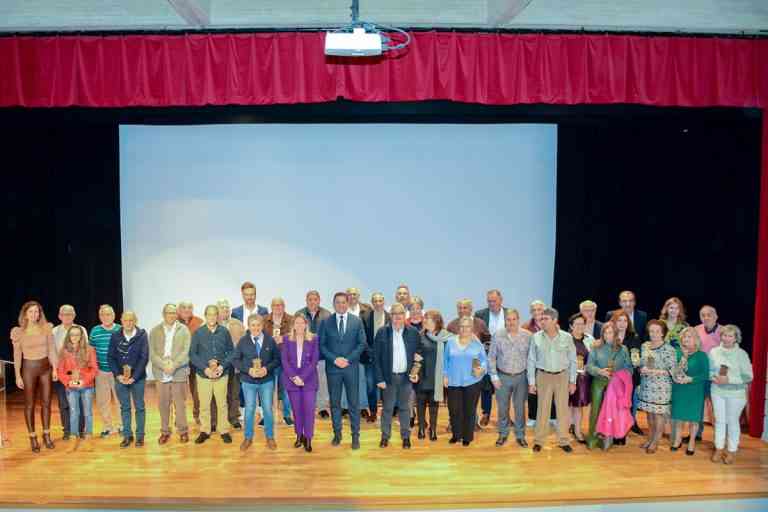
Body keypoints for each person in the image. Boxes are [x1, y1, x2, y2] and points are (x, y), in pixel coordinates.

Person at [319, 292, 367, 449]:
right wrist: (335, 359)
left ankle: (355, 436)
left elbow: (361, 344)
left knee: (354, 403)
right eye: (337, 302)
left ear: (348, 303)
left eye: (343, 302)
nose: (341, 305)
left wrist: (348, 359)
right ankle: (337, 434)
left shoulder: (357, 321)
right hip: (333, 368)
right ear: (334, 304)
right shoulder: (326, 322)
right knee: (335, 403)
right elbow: (322, 346)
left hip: (351, 367)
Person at [527, 307, 577, 453]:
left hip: (562, 376)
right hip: (543, 376)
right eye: (541, 318)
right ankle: (539, 441)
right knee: (542, 410)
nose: (542, 321)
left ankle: (564, 440)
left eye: (545, 318)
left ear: (555, 320)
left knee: (562, 410)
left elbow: (573, 360)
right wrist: (531, 382)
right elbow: (531, 360)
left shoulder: (567, 337)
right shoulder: (536, 337)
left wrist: (572, 381)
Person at [10, 301, 57, 452]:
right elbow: (17, 355)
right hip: (28, 369)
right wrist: (17, 375)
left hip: (45, 369)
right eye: (31, 312)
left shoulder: (46, 328)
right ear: (25, 314)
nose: (34, 315)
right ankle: (32, 437)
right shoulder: (18, 331)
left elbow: (52, 349)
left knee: (47, 403)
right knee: (29, 404)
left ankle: (46, 434)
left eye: (36, 312)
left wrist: (55, 368)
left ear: (40, 313)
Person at [373, 304, 422, 449]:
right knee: (387, 408)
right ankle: (385, 437)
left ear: (404, 315)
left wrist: (416, 372)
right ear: (391, 316)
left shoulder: (413, 333)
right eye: (394, 314)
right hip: (388, 378)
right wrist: (379, 378)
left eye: (400, 314)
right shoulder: (382, 333)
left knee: (405, 408)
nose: (398, 317)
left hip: (406, 378)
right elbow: (376, 358)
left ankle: (406, 437)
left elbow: (419, 355)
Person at [231, 314, 280, 451]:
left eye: (258, 325)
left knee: (267, 410)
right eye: (253, 325)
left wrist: (266, 368)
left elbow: (277, 359)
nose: (256, 328)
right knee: (250, 410)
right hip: (249, 381)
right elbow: (235, 360)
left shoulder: (270, 340)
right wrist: (248, 370)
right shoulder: (243, 341)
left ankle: (270, 437)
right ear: (248, 326)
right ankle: (248, 438)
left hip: (266, 381)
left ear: (262, 326)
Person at [189, 305, 235, 445]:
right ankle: (205, 431)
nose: (212, 317)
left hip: (222, 374)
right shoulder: (198, 333)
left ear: (218, 316)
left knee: (222, 404)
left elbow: (231, 352)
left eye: (214, 314)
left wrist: (222, 366)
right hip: (204, 376)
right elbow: (192, 354)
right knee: (204, 405)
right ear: (205, 315)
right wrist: (205, 369)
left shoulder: (225, 332)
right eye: (209, 314)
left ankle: (223, 430)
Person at [709, 324, 753, 464]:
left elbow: (748, 376)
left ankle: (732, 450)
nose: (727, 338)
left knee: (732, 421)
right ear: (720, 336)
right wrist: (714, 377)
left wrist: (730, 379)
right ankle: (719, 448)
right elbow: (709, 370)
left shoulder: (742, 354)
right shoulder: (714, 351)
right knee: (720, 421)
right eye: (724, 335)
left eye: (730, 336)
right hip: (718, 391)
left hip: (736, 394)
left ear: (736, 338)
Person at [149, 304, 191, 445]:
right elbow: (152, 353)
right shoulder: (155, 331)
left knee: (180, 404)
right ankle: (165, 432)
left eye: (174, 312)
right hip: (161, 373)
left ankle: (183, 431)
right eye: (168, 312)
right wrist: (163, 365)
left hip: (178, 371)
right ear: (163, 314)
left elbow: (186, 352)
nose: (171, 315)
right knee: (163, 404)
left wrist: (173, 365)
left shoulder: (183, 330)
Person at [585, 321, 631, 450]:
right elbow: (589, 366)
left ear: (615, 333)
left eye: (610, 332)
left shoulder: (623, 349)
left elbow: (629, 368)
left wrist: (619, 375)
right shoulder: (596, 347)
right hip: (599, 383)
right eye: (605, 332)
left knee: (612, 413)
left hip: (616, 386)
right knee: (596, 412)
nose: (607, 335)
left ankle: (607, 438)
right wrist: (600, 371)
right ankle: (593, 438)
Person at [488, 309, 531, 448]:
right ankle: (503, 434)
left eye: (514, 319)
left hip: (521, 377)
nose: (511, 322)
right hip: (502, 376)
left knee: (520, 408)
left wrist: (531, 379)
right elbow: (492, 357)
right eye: (508, 319)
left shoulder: (527, 336)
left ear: (518, 320)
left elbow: (532, 359)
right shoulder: (498, 335)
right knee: (502, 408)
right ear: (505, 321)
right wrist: (494, 376)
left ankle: (520, 435)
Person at [443, 316, 488, 446]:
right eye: (462, 326)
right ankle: (456, 435)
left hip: (472, 381)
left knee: (469, 410)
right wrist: (445, 375)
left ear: (471, 328)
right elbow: (446, 360)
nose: (464, 329)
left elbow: (484, 361)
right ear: (458, 328)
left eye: (467, 326)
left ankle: (467, 437)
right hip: (453, 381)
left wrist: (482, 369)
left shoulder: (477, 343)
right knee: (454, 409)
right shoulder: (451, 342)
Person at [108, 310, 149, 448]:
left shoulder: (142, 335)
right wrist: (118, 375)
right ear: (121, 321)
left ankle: (140, 437)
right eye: (126, 320)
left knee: (139, 407)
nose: (128, 323)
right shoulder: (115, 336)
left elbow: (144, 358)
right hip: (120, 380)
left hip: (138, 379)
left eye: (131, 320)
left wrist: (134, 377)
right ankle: (127, 436)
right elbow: (111, 357)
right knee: (124, 407)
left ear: (135, 321)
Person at [447, 299, 491, 427]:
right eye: (459, 308)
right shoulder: (451, 325)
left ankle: (471, 423)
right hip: (457, 368)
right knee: (457, 399)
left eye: (465, 307)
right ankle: (454, 423)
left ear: (471, 309)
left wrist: (481, 362)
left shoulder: (480, 323)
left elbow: (488, 342)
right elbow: (448, 349)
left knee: (472, 398)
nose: (462, 310)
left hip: (474, 366)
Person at [281, 314, 320, 453]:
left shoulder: (314, 338)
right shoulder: (286, 339)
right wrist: (293, 377)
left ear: (306, 325)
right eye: (296, 323)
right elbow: (284, 360)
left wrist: (302, 377)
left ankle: (308, 438)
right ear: (293, 325)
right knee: (297, 411)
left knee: (309, 411)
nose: (299, 326)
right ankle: (299, 436)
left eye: (301, 323)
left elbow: (315, 360)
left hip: (309, 380)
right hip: (292, 381)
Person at [637, 319, 677, 453]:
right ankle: (650, 438)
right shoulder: (645, 346)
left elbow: (672, 370)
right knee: (649, 414)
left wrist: (654, 371)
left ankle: (656, 441)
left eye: (657, 331)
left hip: (662, 387)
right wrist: (641, 368)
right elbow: (642, 363)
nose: (653, 334)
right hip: (647, 385)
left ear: (662, 333)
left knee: (658, 415)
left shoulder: (669, 349)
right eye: (651, 331)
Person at [670, 326, 709, 456]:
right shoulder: (677, 352)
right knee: (679, 418)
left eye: (689, 337)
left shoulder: (702, 356)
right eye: (684, 337)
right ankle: (677, 439)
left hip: (695, 390)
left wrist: (690, 379)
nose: (686, 339)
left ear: (696, 340)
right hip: (679, 389)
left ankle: (692, 441)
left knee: (693, 419)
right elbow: (674, 371)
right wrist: (684, 357)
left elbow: (705, 375)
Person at [52, 305, 88, 440]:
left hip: (78, 372)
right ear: (59, 316)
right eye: (64, 314)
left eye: (70, 314)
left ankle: (80, 429)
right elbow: (53, 353)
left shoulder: (81, 329)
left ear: (74, 315)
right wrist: (55, 370)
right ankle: (67, 430)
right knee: (64, 403)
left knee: (79, 401)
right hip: (62, 373)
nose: (67, 316)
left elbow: (86, 350)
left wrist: (80, 371)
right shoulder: (54, 331)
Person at [294, 291, 332, 419]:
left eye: (315, 299)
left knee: (322, 382)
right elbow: (295, 335)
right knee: (304, 382)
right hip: (303, 357)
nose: (312, 302)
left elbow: (330, 336)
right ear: (306, 300)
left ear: (319, 300)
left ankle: (322, 408)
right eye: (310, 299)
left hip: (321, 356)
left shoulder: (327, 315)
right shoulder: (299, 314)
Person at [57, 325, 97, 440]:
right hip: (71, 386)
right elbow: (60, 371)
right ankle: (74, 433)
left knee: (87, 411)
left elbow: (94, 369)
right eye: (72, 334)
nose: (75, 337)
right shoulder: (64, 351)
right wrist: (68, 382)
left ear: (81, 336)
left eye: (77, 334)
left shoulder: (89, 349)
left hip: (86, 386)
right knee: (74, 411)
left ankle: (88, 431)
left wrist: (84, 381)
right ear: (68, 336)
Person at [415, 310, 450, 441]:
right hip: (422, 375)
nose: (424, 321)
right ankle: (421, 428)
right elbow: (415, 356)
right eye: (424, 319)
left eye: (427, 319)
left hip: (437, 376)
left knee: (434, 404)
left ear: (436, 322)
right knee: (420, 403)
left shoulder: (446, 337)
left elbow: (449, 357)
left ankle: (433, 429)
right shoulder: (420, 336)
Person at [89, 304, 121, 438]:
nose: (106, 317)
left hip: (117, 372)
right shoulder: (95, 331)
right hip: (101, 372)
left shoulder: (120, 329)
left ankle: (122, 426)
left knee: (121, 400)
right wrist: (94, 368)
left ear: (113, 315)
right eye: (103, 314)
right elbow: (91, 351)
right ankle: (108, 427)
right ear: (99, 316)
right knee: (103, 401)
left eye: (108, 314)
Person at [611, 310, 644, 435]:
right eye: (619, 320)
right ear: (614, 322)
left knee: (629, 402)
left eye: (625, 321)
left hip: (630, 376)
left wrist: (636, 362)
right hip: (613, 377)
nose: (622, 323)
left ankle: (630, 423)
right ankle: (614, 425)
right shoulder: (610, 335)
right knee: (614, 402)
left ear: (628, 323)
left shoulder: (634, 337)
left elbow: (636, 356)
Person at [263, 297, 294, 426]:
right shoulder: (264, 320)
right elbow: (259, 335)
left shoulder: (292, 319)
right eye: (275, 305)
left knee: (286, 389)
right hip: (269, 360)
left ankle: (287, 415)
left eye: (280, 305)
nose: (277, 307)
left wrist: (283, 339)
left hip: (287, 359)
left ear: (284, 306)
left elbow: (297, 335)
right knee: (267, 389)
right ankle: (266, 417)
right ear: (271, 306)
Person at [693, 305, 721, 441]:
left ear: (716, 317)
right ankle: (696, 434)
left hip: (715, 377)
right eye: (703, 315)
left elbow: (728, 356)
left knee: (716, 408)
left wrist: (721, 375)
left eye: (709, 315)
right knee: (697, 405)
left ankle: (719, 438)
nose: (706, 317)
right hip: (699, 375)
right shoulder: (696, 330)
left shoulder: (723, 332)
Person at [361, 292, 390, 423]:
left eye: (380, 301)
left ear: (384, 302)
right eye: (375, 301)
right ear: (372, 303)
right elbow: (363, 338)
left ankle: (386, 412)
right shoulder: (365, 316)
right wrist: (371, 353)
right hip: (370, 358)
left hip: (387, 359)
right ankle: (373, 412)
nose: (378, 303)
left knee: (386, 387)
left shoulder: (390, 318)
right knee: (370, 386)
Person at [217, 300, 245, 430]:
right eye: (222, 308)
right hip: (218, 365)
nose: (225, 310)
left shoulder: (238, 324)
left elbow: (244, 343)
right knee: (219, 394)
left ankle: (233, 417)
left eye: (227, 307)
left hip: (235, 364)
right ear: (218, 310)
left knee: (234, 392)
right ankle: (218, 418)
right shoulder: (213, 324)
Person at [567, 313, 594, 444]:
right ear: (571, 326)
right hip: (567, 378)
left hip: (583, 379)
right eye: (577, 324)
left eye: (582, 324)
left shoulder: (590, 339)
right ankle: (565, 431)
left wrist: (588, 367)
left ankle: (577, 431)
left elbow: (593, 358)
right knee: (566, 406)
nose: (580, 326)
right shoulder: (565, 339)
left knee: (577, 406)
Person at [177, 301, 204, 426]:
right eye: (183, 307)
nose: (186, 310)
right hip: (179, 363)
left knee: (197, 391)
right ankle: (179, 417)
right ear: (179, 310)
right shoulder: (174, 322)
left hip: (196, 362)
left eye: (189, 307)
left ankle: (197, 414)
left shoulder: (199, 322)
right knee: (178, 392)